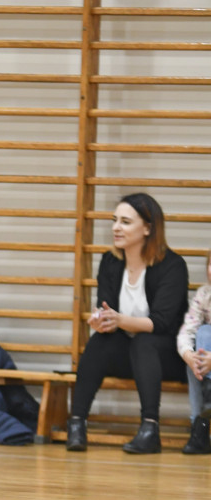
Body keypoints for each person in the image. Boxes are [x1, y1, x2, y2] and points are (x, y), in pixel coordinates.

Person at [66, 193, 190, 454]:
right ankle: (76, 423)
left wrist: (120, 320)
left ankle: (149, 429)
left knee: (146, 341)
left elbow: (162, 323)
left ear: (147, 228)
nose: (116, 228)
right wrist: (101, 321)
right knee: (100, 341)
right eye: (114, 220)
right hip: (130, 356)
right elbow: (106, 307)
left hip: (167, 357)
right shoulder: (110, 262)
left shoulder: (173, 266)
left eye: (125, 222)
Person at [176, 246, 211, 454]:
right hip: (206, 366)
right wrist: (190, 357)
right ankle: (199, 427)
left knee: (206, 332)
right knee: (203, 334)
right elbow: (186, 331)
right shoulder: (204, 294)